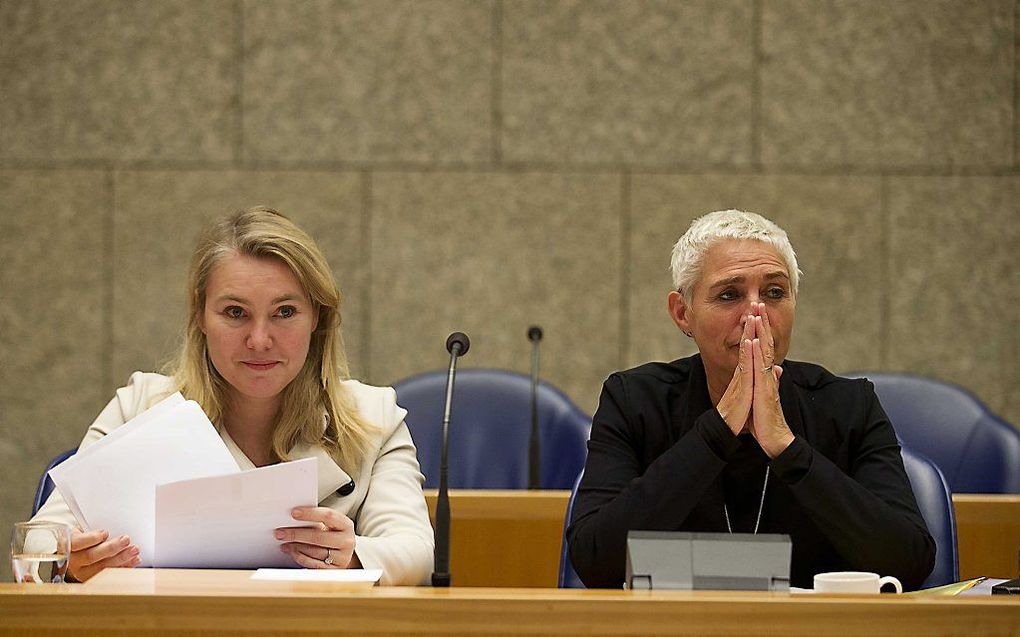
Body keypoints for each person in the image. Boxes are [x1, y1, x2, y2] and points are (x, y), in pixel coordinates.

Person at [32, 206, 434, 584]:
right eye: (235, 313)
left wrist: (353, 554)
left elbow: (415, 551)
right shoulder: (141, 405)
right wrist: (72, 561)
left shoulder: (373, 417)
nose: (259, 341)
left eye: (285, 312)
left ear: (317, 318)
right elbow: (40, 542)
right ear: (201, 317)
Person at [567, 209, 935, 590]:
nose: (755, 314)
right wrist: (716, 432)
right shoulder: (635, 401)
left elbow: (909, 561)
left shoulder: (849, 407)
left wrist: (786, 447)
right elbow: (596, 561)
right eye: (730, 295)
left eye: (775, 293)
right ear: (683, 313)